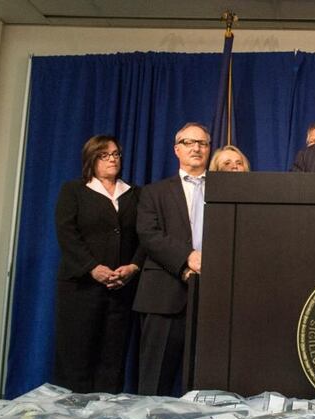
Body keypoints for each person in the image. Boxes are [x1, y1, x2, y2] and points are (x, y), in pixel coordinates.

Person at [53, 135, 144, 393]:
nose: (112, 159)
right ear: (91, 160)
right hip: (80, 288)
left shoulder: (135, 194)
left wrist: (133, 267)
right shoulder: (74, 191)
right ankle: (72, 418)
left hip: (121, 289)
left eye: (115, 154)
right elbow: (67, 234)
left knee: (112, 357)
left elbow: (145, 237)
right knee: (77, 354)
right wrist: (93, 267)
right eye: (104, 155)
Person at [134, 122, 211, 395]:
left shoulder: (225, 189)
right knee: (155, 382)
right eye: (189, 143)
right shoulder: (154, 192)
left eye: (202, 143)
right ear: (177, 149)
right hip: (165, 295)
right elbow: (148, 235)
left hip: (214, 298)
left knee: (207, 384)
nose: (196, 148)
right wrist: (187, 259)